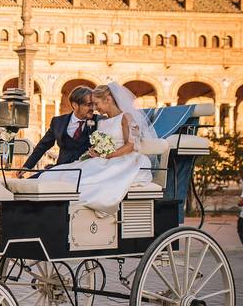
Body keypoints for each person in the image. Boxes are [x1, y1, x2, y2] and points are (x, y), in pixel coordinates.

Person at [36, 82, 156, 214]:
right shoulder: (102, 121)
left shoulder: (126, 117)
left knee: (88, 180)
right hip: (104, 159)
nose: (95, 108)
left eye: (96, 103)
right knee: (66, 172)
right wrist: (96, 151)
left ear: (108, 99)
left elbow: (131, 146)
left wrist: (107, 156)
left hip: (124, 159)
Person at [19, 86, 96, 177]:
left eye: (93, 104)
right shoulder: (58, 122)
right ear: (75, 105)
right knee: (30, 182)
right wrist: (27, 166)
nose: (93, 108)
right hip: (61, 169)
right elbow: (43, 146)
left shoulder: (98, 121)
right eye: (88, 105)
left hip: (85, 172)